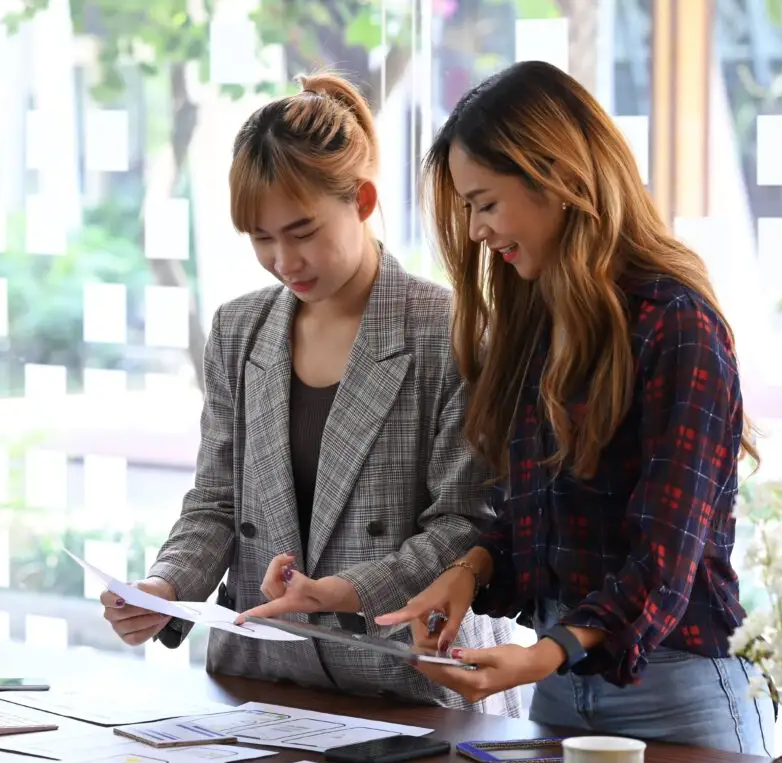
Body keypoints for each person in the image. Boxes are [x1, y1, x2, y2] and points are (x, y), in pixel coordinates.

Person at [376, 60, 771, 753]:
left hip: (677, 695)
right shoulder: (537, 325)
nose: (474, 231)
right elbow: (539, 521)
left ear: (557, 179)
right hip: (560, 688)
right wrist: (469, 572)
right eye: (468, 208)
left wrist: (548, 652)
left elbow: (665, 557)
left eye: (486, 202)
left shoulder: (678, 325)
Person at [100, 72, 520, 714]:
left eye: (302, 232)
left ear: (363, 200)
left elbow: (466, 524)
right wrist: (162, 589)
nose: (283, 260)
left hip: (410, 682)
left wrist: (344, 591)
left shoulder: (450, 330)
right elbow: (216, 499)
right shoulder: (239, 329)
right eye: (261, 239)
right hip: (258, 679)